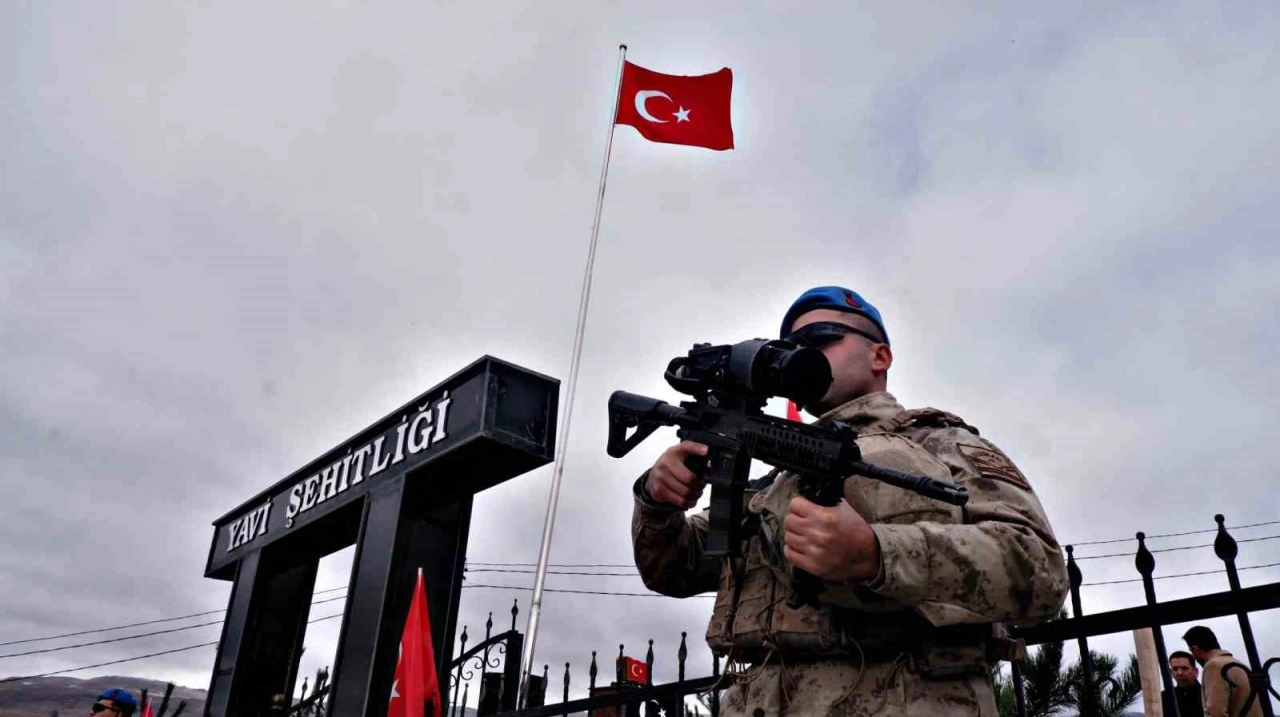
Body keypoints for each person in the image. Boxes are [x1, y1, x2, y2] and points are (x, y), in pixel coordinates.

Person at [631, 286, 1069, 716]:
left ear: (880, 356)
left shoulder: (939, 444)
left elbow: (1041, 571)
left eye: (820, 339)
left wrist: (876, 555)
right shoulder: (774, 480)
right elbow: (675, 568)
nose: (803, 354)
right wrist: (657, 499)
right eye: (792, 346)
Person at [1183, 625, 1262, 717]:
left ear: (1196, 649)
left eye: (1191, 651)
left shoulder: (1214, 666)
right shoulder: (1236, 663)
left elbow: (1216, 712)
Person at [1166, 650, 1205, 717]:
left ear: (1196, 671)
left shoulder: (1207, 695)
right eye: (1175, 669)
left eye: (1184, 668)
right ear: (1171, 672)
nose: (1179, 673)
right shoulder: (1165, 697)